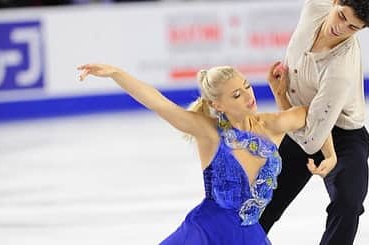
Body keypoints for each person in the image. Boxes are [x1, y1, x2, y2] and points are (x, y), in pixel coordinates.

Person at [77, 62, 336, 244]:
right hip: (207, 233)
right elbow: (158, 102)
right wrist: (115, 73)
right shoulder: (209, 133)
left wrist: (329, 154)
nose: (248, 96)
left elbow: (314, 113)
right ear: (217, 104)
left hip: (249, 235)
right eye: (237, 94)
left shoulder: (273, 125)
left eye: (247, 86)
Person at [259, 0, 369, 244]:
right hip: (300, 124)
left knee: (348, 203)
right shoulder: (315, 7)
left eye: (353, 27)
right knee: (263, 203)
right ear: (335, 2)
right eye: (341, 16)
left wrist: (279, 95)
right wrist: (284, 98)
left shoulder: (340, 70)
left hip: (343, 136)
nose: (341, 28)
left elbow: (310, 142)